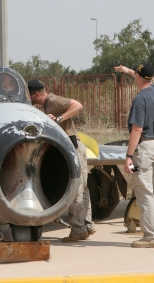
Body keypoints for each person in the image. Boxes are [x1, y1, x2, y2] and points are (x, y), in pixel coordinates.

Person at [27, 80, 95, 242]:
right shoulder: (47, 105)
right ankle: (87, 225)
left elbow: (77, 105)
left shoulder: (53, 101)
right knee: (82, 187)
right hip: (75, 147)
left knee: (76, 189)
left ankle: (78, 229)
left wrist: (59, 118)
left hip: (74, 147)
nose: (29, 99)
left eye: (30, 96)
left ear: (37, 94)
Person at [114, 62, 154, 248]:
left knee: (144, 191)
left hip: (145, 150)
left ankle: (151, 237)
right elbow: (142, 77)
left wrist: (129, 156)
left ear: (139, 78)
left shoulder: (139, 100)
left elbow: (137, 130)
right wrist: (128, 71)